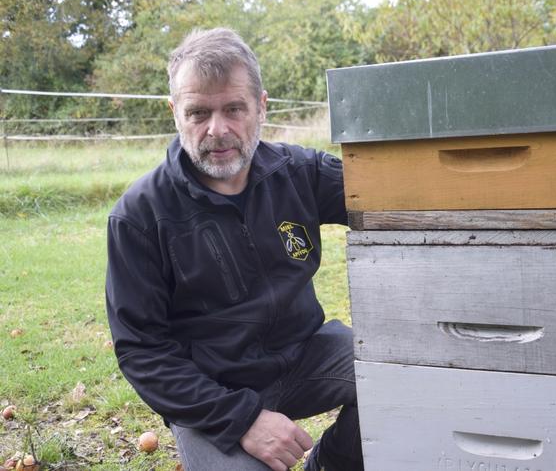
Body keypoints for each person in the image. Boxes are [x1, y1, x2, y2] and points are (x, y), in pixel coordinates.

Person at [105, 27, 363, 471]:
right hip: (210, 391)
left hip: (304, 354)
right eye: (198, 112)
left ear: (261, 106)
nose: (217, 129)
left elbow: (397, 194)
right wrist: (241, 418)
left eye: (234, 109)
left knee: (412, 374)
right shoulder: (140, 215)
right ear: (175, 113)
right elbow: (142, 351)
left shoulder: (298, 172)